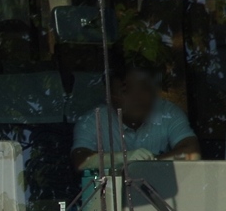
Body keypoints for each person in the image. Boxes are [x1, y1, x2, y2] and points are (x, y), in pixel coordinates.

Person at [70, 45, 200, 171]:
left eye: (142, 88)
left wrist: (145, 164)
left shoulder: (168, 113)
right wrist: (123, 158)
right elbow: (81, 160)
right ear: (110, 96)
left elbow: (192, 153)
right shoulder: (93, 120)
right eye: (124, 90)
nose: (135, 97)